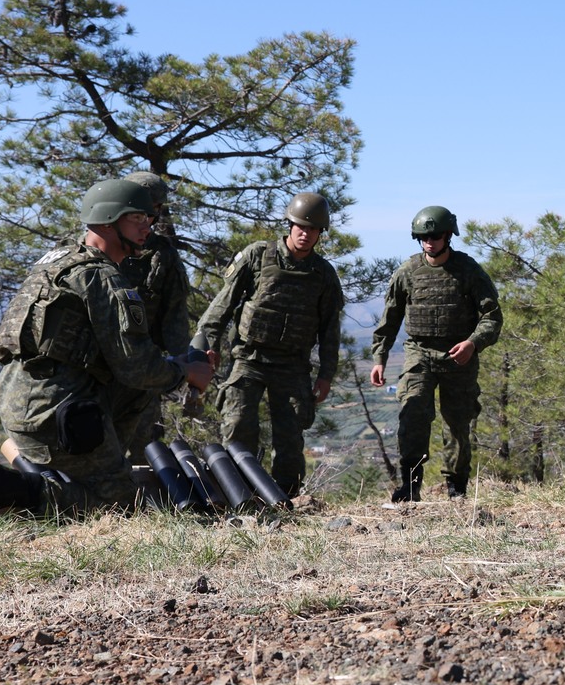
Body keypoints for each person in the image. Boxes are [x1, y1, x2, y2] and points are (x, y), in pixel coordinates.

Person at [0, 179, 215, 519]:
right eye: (137, 219)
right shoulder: (103, 278)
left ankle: (98, 466)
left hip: (24, 393)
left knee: (138, 399)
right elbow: (138, 367)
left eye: (148, 219)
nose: (147, 228)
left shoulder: (61, 258)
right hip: (53, 408)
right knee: (120, 505)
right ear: (107, 222)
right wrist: (186, 371)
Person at [192, 191, 345, 497]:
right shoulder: (258, 256)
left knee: (289, 441)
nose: (305, 233)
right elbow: (222, 306)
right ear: (289, 225)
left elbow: (330, 330)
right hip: (250, 359)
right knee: (237, 428)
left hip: (293, 365)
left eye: (312, 229)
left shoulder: (323, 274)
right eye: (300, 226)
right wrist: (206, 344)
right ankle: (238, 496)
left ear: (320, 233)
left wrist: (326, 375)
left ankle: (285, 500)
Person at [369, 206, 503, 501]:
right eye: (423, 237)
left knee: (457, 423)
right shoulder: (407, 272)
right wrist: (379, 357)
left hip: (459, 354)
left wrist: (473, 343)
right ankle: (410, 486)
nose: (429, 241)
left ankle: (457, 488)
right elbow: (389, 319)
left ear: (448, 236)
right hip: (419, 351)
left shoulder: (468, 270)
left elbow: (492, 316)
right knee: (413, 414)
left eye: (436, 235)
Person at [105, 170, 193, 452]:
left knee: (145, 446)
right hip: (97, 369)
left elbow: (175, 317)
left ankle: (142, 498)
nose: (148, 219)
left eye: (153, 211)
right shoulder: (99, 246)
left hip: (143, 368)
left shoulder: (162, 255)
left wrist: (182, 370)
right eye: (141, 211)